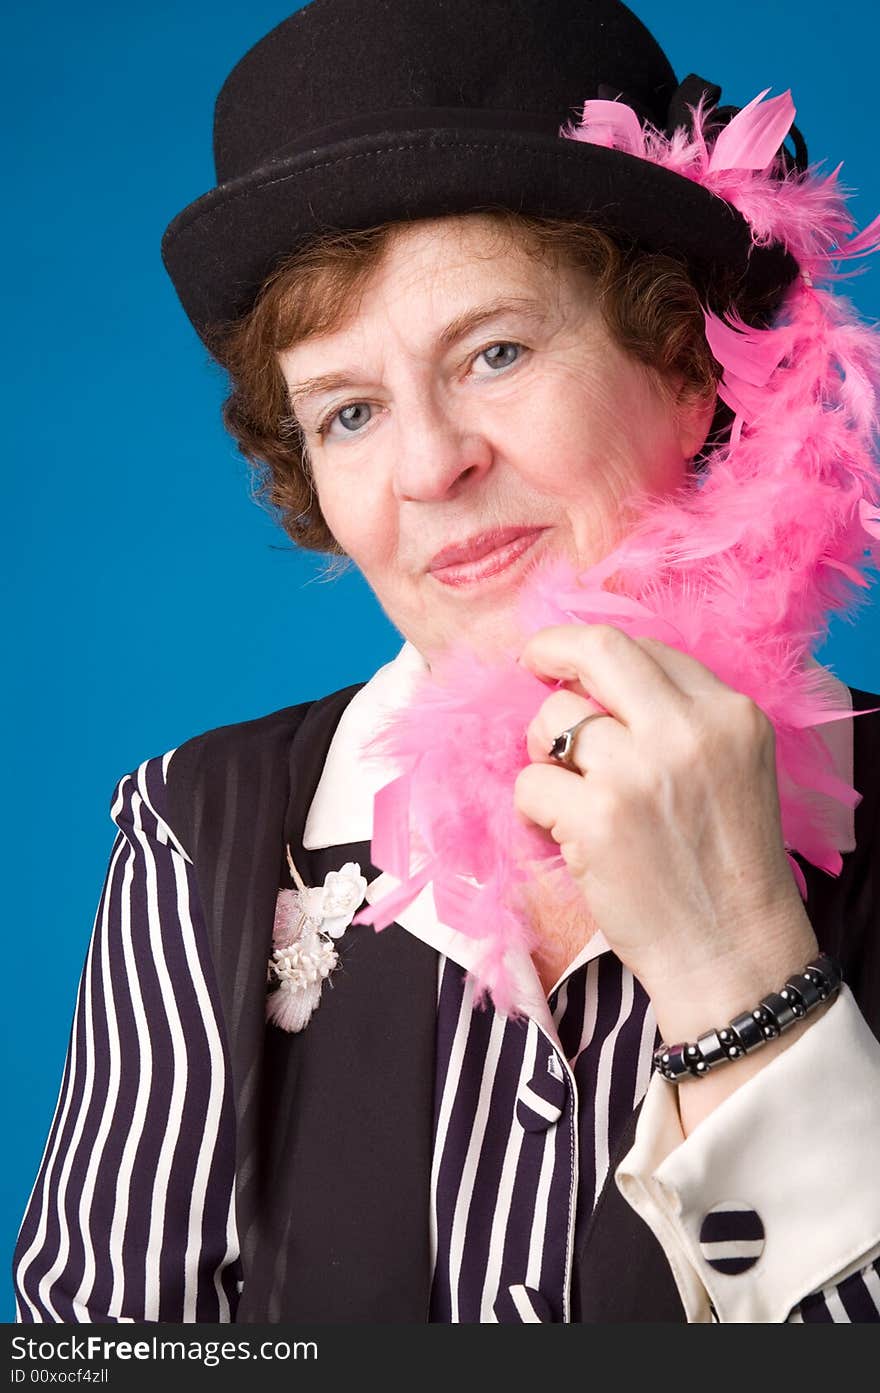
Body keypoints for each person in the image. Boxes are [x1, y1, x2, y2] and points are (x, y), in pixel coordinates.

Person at [13, 0, 880, 1324]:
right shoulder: (202, 837)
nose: (428, 467)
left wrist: (742, 970)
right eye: (349, 411)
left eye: (496, 351)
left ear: (690, 363)